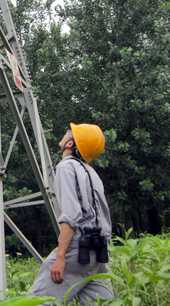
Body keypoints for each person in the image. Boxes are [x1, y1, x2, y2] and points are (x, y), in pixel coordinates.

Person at [31, 123, 114, 305]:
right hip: (99, 251)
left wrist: (61, 257)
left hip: (78, 249)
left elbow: (70, 216)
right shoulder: (92, 173)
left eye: (70, 132)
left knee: (36, 301)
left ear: (70, 144)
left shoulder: (66, 168)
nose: (66, 132)